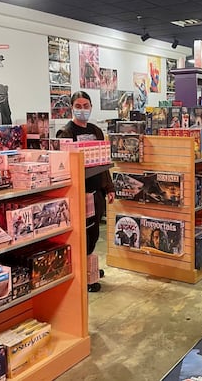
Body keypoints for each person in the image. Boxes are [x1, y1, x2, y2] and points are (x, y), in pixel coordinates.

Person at [57, 91, 115, 292]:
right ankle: (85, 276)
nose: (83, 110)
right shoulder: (66, 133)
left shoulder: (96, 131)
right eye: (79, 106)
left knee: (94, 232)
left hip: (96, 191)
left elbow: (104, 162)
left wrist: (109, 187)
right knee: (82, 234)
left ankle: (90, 269)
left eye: (86, 105)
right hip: (79, 193)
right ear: (72, 107)